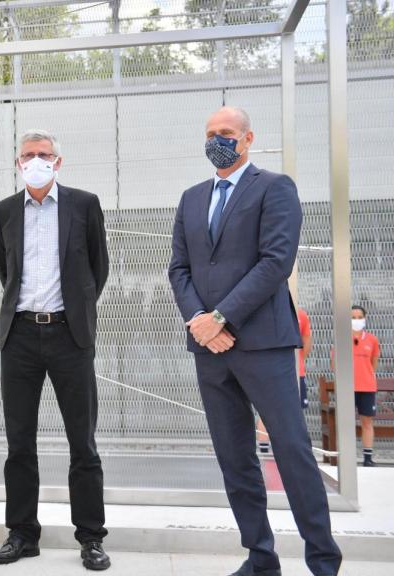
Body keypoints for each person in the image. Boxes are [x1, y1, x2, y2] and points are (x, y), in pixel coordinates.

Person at [168, 106, 342, 576]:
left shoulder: (274, 187)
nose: (216, 140)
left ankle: (323, 561)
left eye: (225, 133)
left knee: (291, 450)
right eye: (209, 134)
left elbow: (275, 261)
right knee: (234, 457)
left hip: (263, 343)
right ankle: (260, 558)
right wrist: (201, 320)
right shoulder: (190, 198)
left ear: (248, 139)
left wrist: (222, 316)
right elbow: (179, 269)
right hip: (209, 349)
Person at [0, 129, 111, 571]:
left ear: (58, 162)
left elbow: (99, 268)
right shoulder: (3, 211)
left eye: (43, 155)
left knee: (83, 441)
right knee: (19, 442)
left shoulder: (83, 204)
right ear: (18, 163)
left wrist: (74, 312)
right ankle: (22, 534)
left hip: (69, 336)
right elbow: (8, 271)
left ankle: (91, 538)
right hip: (19, 336)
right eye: (28, 155)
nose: (35, 161)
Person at [257, 306, 312, 454]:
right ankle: (264, 448)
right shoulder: (267, 310)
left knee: (294, 410)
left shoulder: (301, 315)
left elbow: (306, 342)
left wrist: (299, 361)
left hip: (295, 371)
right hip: (269, 368)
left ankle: (294, 448)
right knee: (266, 407)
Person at [347, 305, 381, 467]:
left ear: (365, 318)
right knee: (345, 422)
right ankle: (345, 457)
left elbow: (373, 364)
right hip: (347, 387)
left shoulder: (372, 340)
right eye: (353, 317)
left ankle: (367, 457)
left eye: (359, 317)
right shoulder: (342, 338)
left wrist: (365, 376)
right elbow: (334, 365)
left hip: (367, 387)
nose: (356, 320)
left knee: (366, 422)